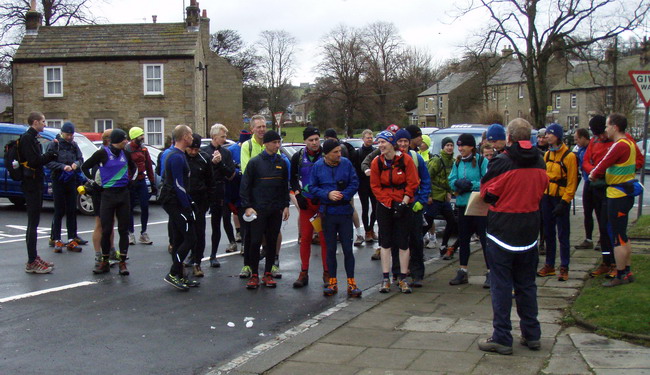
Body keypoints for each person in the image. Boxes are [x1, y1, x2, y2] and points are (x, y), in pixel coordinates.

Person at [477, 118, 549, 355]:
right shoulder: (540, 160)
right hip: (529, 228)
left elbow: (487, 192)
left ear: (508, 137)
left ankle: (502, 336)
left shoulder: (501, 162)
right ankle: (532, 334)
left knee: (501, 285)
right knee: (527, 284)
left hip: (503, 230)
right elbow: (542, 188)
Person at [589, 114, 640, 287]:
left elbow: (602, 164)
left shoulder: (619, 145)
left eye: (607, 125)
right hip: (625, 194)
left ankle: (620, 274)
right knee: (623, 235)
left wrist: (593, 174)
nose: (605, 129)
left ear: (615, 127)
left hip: (617, 195)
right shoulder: (630, 143)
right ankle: (627, 270)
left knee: (617, 237)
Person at [309, 139, 361, 297]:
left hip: (345, 212)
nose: (339, 154)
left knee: (347, 249)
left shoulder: (346, 163)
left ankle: (351, 282)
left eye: (340, 151)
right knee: (330, 249)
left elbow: (355, 182)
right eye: (335, 152)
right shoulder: (318, 166)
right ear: (326, 154)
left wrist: (344, 194)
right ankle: (332, 282)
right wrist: (327, 194)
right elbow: (311, 187)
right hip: (328, 213)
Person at [370, 130, 419, 294]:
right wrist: (387, 202)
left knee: (403, 241)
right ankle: (385, 278)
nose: (380, 146)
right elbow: (375, 186)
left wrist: (403, 202)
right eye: (379, 143)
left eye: (383, 142)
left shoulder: (406, 160)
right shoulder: (377, 162)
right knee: (385, 242)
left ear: (392, 143)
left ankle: (403, 278)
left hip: (403, 204)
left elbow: (412, 183)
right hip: (385, 205)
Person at [240, 130, 290, 289]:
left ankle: (267, 274)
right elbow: (245, 186)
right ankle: (254, 274)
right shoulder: (255, 163)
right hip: (258, 209)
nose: (277, 145)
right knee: (255, 241)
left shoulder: (282, 162)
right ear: (266, 144)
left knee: (271, 241)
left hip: (275, 209)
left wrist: (286, 205)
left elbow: (284, 187)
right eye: (274, 142)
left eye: (279, 142)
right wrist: (247, 206)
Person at [82, 128, 136, 276]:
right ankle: (104, 262)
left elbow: (134, 167)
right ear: (116, 141)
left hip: (123, 195)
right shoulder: (103, 153)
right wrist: (93, 183)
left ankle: (122, 262)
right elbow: (85, 167)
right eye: (124, 139)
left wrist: (131, 180)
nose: (126, 141)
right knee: (106, 230)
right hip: (108, 195)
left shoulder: (126, 153)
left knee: (123, 230)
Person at [159, 125, 200, 291]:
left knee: (178, 239)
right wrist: (187, 205)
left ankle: (181, 275)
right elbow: (177, 184)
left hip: (177, 201)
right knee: (191, 238)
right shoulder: (176, 157)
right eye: (190, 134)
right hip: (174, 202)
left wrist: (190, 201)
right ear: (184, 136)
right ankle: (173, 273)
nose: (192, 137)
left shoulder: (179, 155)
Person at [537, 123, 578, 282]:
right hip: (547, 197)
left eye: (549, 134)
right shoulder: (547, 155)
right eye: (546, 134)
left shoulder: (569, 156)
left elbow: (572, 182)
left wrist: (564, 202)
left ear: (557, 136)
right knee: (548, 233)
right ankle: (549, 265)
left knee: (563, 234)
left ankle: (564, 267)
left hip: (560, 199)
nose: (546, 136)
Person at [391, 127, 431, 288]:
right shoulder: (390, 159)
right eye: (399, 141)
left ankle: (417, 274)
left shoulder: (416, 158)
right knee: (397, 241)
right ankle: (398, 272)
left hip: (414, 205)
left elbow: (426, 180)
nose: (402, 144)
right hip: (397, 205)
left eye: (405, 141)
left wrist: (421, 200)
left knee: (416, 240)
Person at [18, 111, 58, 273]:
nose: (45, 124)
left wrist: (48, 155)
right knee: (32, 223)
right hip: (31, 184)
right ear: (35, 122)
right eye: (43, 121)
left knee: (34, 222)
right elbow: (34, 162)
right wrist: (50, 154)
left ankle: (34, 257)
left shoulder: (32, 138)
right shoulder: (27, 138)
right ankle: (31, 261)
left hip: (35, 183)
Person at [448, 133, 489, 287]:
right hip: (462, 205)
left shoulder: (481, 161)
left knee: (485, 240)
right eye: (458, 146)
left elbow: (486, 180)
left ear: (471, 146)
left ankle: (490, 272)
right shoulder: (457, 162)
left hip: (478, 206)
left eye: (463, 145)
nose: (460, 149)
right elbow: (451, 180)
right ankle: (463, 271)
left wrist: (471, 185)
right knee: (463, 239)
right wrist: (457, 183)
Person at [290, 127, 329, 288]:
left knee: (324, 239)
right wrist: (298, 195)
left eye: (316, 139)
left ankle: (327, 273)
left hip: (323, 203)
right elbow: (292, 179)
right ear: (305, 141)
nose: (314, 143)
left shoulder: (326, 155)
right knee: (305, 238)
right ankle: (304, 272)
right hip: (307, 203)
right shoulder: (297, 157)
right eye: (310, 140)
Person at [46, 121, 85, 253]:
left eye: (71, 134)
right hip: (58, 179)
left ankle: (71, 239)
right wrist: (62, 167)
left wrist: (75, 164)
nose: (69, 137)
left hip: (71, 180)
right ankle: (56, 239)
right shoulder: (54, 145)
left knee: (71, 210)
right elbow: (48, 162)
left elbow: (81, 158)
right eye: (67, 134)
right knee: (59, 210)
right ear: (62, 133)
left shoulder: (74, 145)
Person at [201, 123, 236, 268]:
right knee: (199, 225)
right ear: (214, 137)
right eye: (223, 136)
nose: (225, 139)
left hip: (219, 191)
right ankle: (196, 255)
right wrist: (211, 162)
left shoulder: (226, 153)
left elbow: (231, 174)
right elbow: (199, 171)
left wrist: (220, 163)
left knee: (217, 224)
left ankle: (213, 255)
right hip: (203, 191)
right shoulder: (203, 152)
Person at [323, 128, 364, 245]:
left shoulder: (341, 149)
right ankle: (349, 233)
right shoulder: (333, 149)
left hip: (344, 186)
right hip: (335, 188)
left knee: (350, 209)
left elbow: (344, 166)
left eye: (328, 139)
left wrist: (346, 191)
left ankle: (358, 233)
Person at [186, 133, 216, 277]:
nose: (193, 152)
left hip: (200, 201)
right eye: (190, 149)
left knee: (199, 232)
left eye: (196, 150)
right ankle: (183, 260)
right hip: (184, 201)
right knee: (184, 233)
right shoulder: (180, 158)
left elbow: (211, 181)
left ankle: (197, 262)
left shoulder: (204, 159)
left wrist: (209, 200)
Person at [425, 137, 459, 257]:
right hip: (434, 197)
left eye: (451, 145)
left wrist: (450, 192)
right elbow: (427, 178)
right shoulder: (436, 161)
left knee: (452, 221)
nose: (449, 148)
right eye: (447, 145)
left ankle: (444, 245)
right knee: (427, 224)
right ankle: (415, 245)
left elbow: (450, 178)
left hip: (444, 197)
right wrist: (428, 195)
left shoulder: (453, 161)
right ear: (443, 147)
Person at [87, 129, 116, 265]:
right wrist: (94, 185)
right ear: (108, 140)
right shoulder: (100, 154)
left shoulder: (113, 153)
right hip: (99, 192)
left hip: (111, 192)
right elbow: (90, 170)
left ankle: (111, 250)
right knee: (100, 224)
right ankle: (98, 254)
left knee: (111, 222)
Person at [354, 129, 378, 242]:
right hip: (362, 184)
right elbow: (356, 169)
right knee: (365, 208)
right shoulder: (358, 153)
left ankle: (371, 228)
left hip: (374, 184)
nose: (369, 139)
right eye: (367, 137)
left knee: (375, 208)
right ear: (363, 139)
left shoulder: (375, 151)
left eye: (371, 137)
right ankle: (367, 231)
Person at [573, 128, 594, 250]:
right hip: (587, 182)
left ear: (584, 137)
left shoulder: (593, 147)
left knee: (599, 212)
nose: (576, 142)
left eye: (577, 139)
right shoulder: (579, 149)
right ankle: (588, 238)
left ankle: (602, 239)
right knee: (587, 212)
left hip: (595, 182)